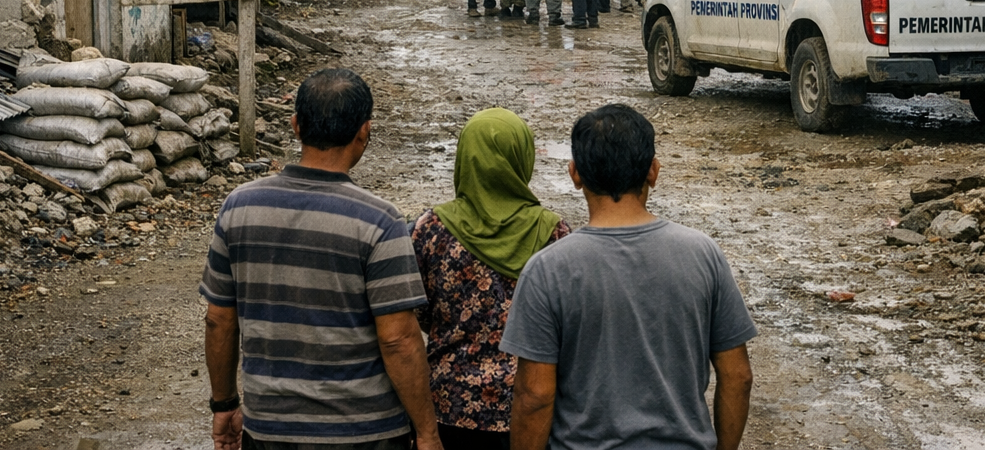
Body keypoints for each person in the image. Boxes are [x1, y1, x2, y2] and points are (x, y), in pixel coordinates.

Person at [201, 69, 443, 450]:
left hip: (269, 429)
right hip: (365, 434)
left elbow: (219, 320)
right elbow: (398, 339)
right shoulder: (380, 222)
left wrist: (224, 403)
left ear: (296, 125)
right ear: (364, 132)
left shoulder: (239, 207)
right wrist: (427, 432)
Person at [501, 104, 756, 450]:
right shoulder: (703, 254)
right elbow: (738, 376)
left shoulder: (547, 270)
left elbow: (534, 394)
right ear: (653, 171)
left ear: (575, 174)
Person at [411, 108, 571, 450]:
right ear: (522, 158)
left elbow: (416, 313)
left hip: (448, 409)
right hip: (529, 411)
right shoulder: (552, 233)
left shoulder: (431, 229)